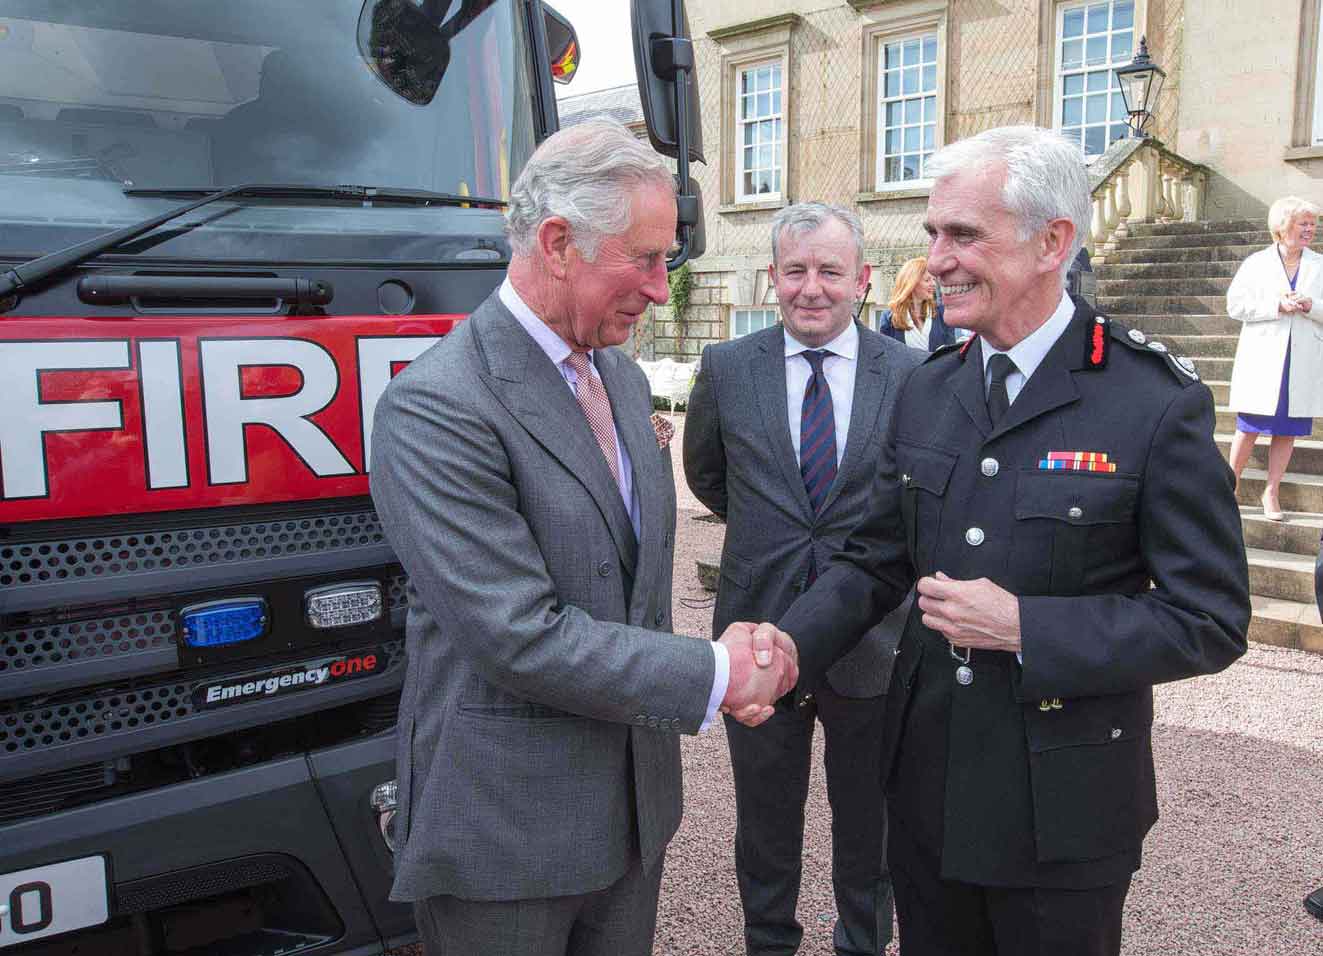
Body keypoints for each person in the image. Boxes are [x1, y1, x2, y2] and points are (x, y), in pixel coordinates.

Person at [777, 125, 1251, 956]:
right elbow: (875, 558)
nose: (936, 259)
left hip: (1061, 810)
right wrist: (787, 645)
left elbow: (1208, 618)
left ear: (1051, 243)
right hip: (925, 790)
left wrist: (1030, 628)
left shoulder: (1149, 402)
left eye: (962, 235)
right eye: (931, 234)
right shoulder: (928, 389)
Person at [370, 118, 797, 956]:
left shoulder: (622, 376)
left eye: (665, 259)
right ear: (559, 241)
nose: (659, 286)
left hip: (633, 815)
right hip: (508, 833)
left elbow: (630, 584)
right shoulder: (439, 405)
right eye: (642, 259)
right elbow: (515, 634)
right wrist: (718, 670)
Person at [684, 203, 923, 956]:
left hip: (873, 637)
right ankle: (769, 944)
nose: (809, 288)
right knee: (763, 823)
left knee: (871, 827)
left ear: (862, 279)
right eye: (794, 271)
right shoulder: (727, 368)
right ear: (772, 277)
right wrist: (773, 539)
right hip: (756, 632)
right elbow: (708, 476)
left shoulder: (913, 374)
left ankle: (861, 943)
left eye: (828, 271)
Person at [1225, 197, 1323, 520]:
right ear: (1282, 228)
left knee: (1287, 427)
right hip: (1264, 357)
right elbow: (1235, 305)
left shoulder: (1319, 265)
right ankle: (1229, 486)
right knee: (1249, 424)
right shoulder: (1256, 263)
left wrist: (1312, 306)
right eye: (1303, 223)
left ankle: (1271, 492)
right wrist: (1275, 305)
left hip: (1300, 359)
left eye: (1312, 223)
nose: (1310, 229)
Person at [877, 256, 957, 352]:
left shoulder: (942, 313)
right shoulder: (889, 317)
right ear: (912, 283)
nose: (933, 284)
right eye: (927, 280)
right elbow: (885, 356)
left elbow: (952, 353)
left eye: (934, 279)